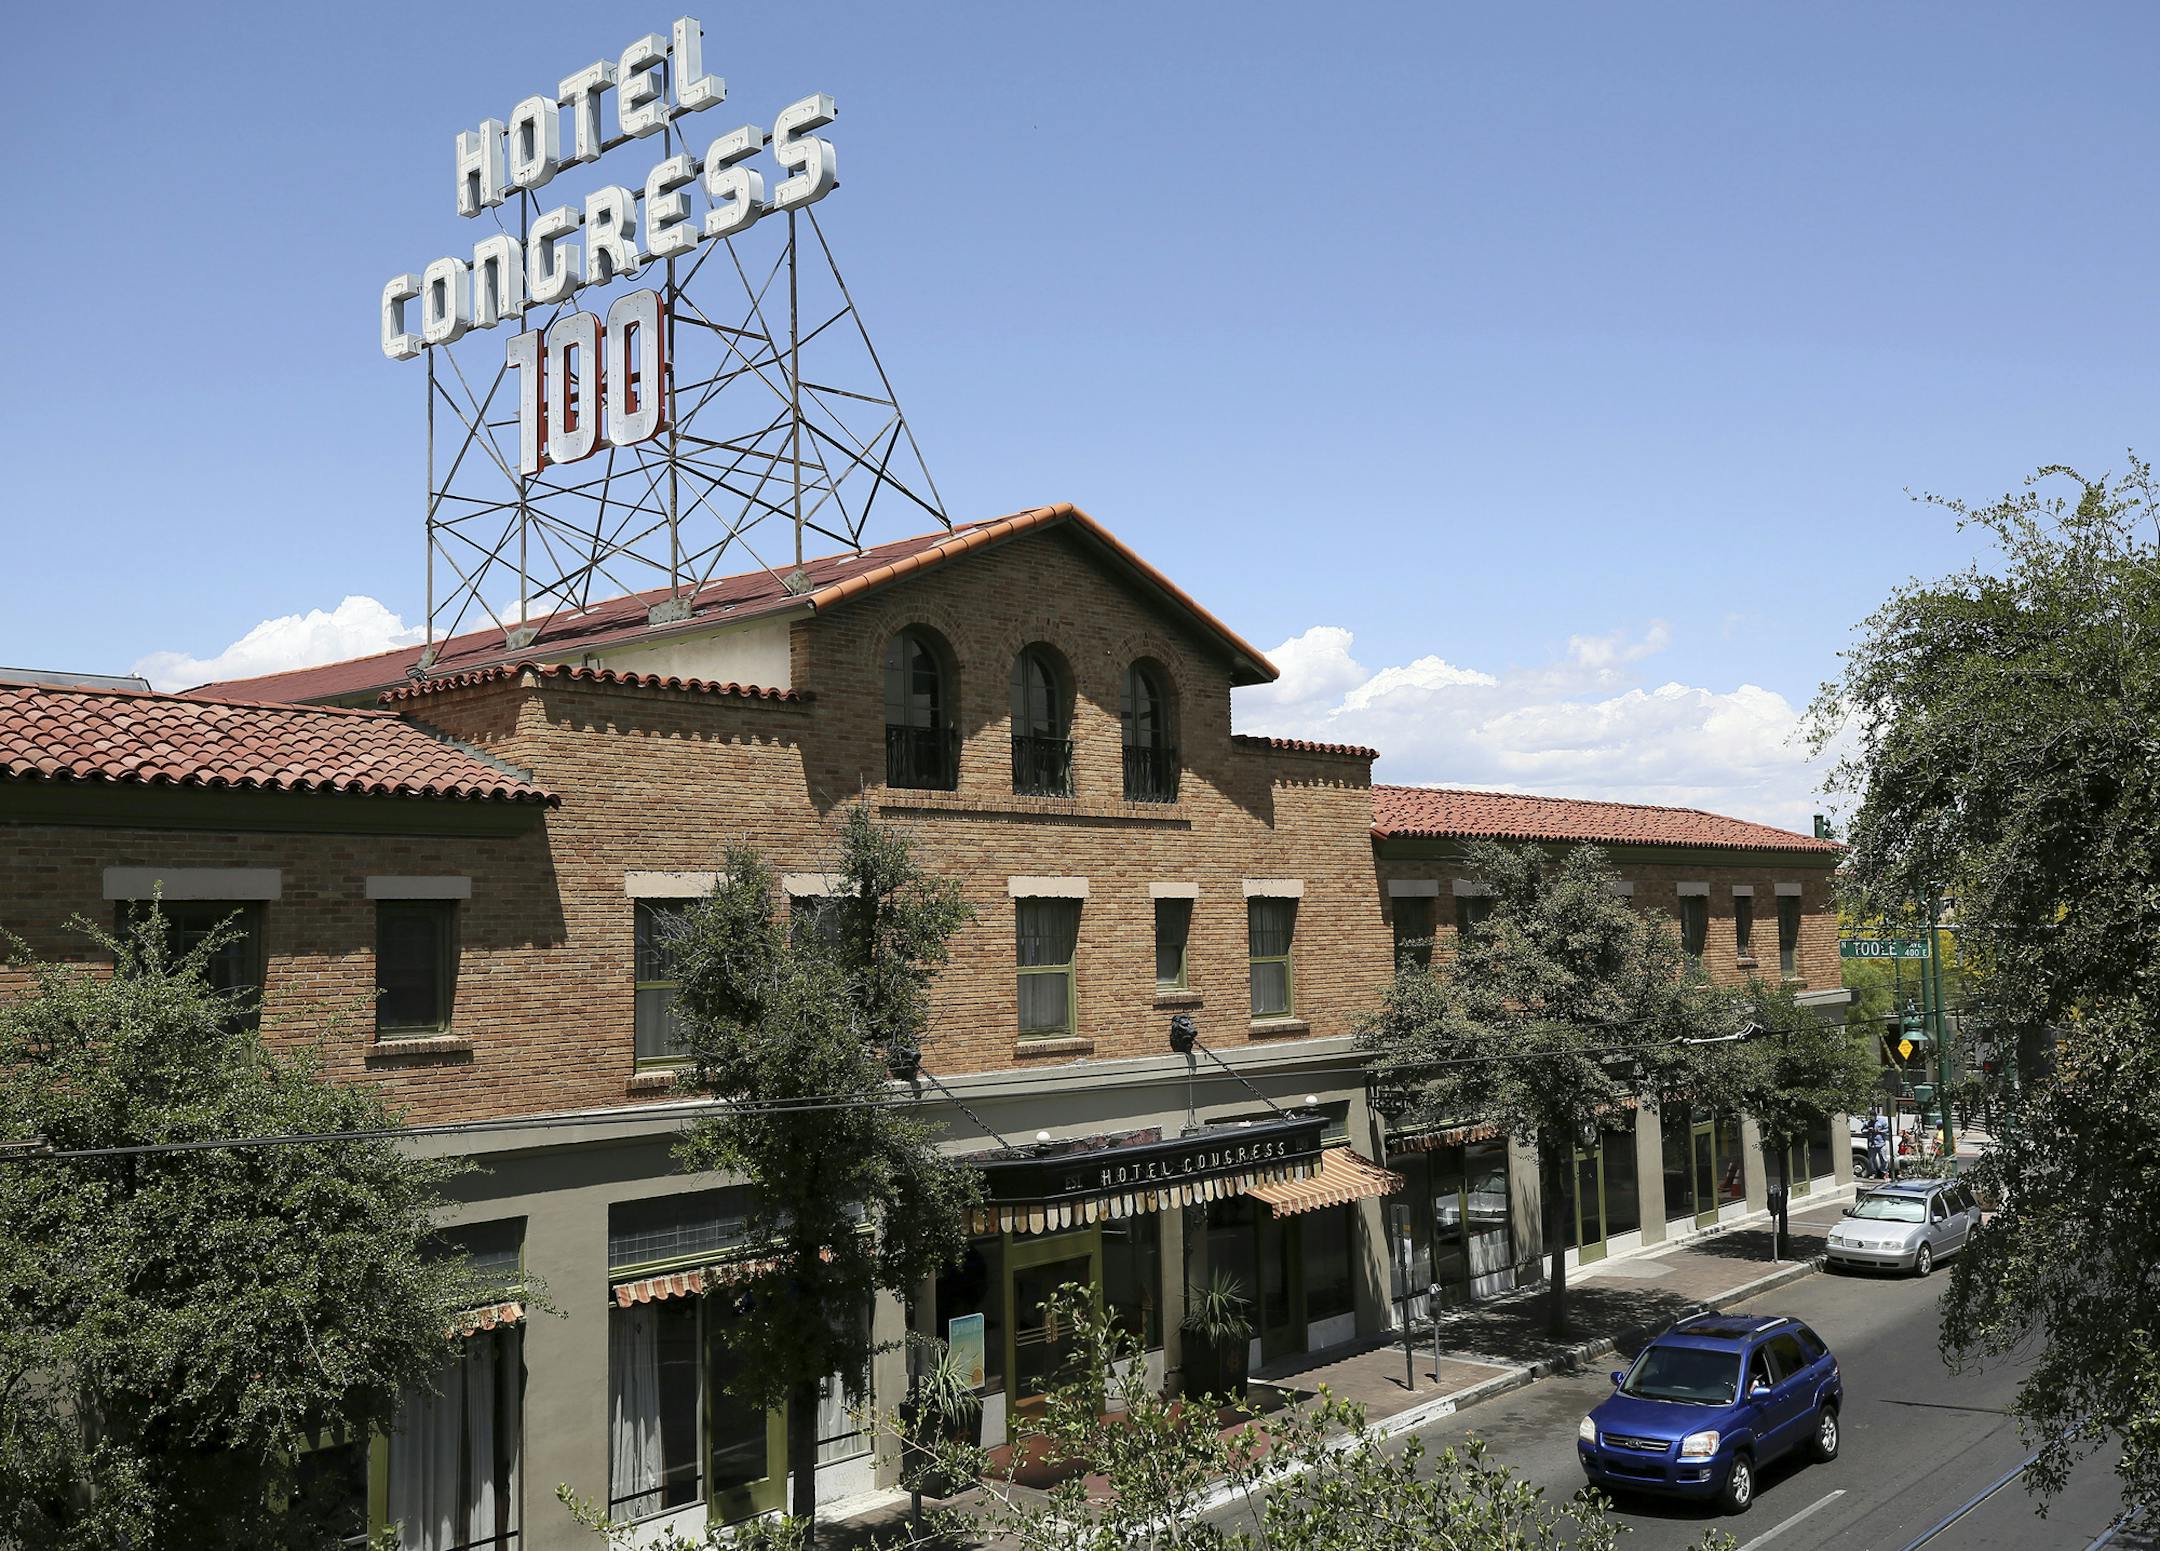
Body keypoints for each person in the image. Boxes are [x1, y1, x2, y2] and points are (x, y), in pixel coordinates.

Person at [1865, 1107, 1891, 1180]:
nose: (1872, 1117)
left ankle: (1885, 1173)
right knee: (1871, 1160)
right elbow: (1863, 1130)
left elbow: (1887, 1129)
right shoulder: (1868, 1122)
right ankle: (1873, 1173)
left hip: (1881, 1143)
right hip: (1871, 1144)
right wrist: (1868, 1130)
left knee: (1883, 1159)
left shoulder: (1881, 1121)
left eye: (1873, 1116)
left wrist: (1879, 1131)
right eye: (1870, 1116)